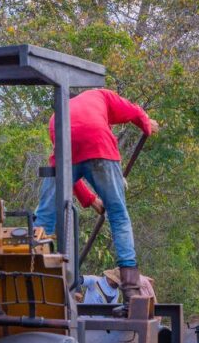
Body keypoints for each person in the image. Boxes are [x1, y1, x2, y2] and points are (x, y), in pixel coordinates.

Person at [33, 88, 159, 302]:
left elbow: (68, 174)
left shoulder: (56, 116)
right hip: (100, 147)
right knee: (118, 215)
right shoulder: (101, 95)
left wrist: (92, 201)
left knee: (44, 220)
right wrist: (147, 124)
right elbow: (133, 111)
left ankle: (34, 279)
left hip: (65, 150)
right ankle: (130, 289)